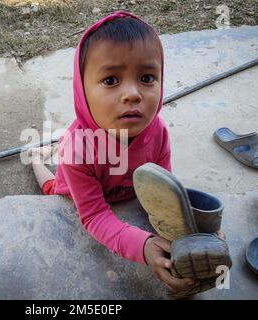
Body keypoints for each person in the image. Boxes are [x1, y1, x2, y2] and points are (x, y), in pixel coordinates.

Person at [29, 11, 198, 292]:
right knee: (51, 186)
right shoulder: (78, 150)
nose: (132, 93)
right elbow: (94, 215)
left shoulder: (158, 132)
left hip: (117, 186)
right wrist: (143, 246)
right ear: (81, 90)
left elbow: (163, 190)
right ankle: (37, 158)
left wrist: (196, 228)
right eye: (111, 80)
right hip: (71, 184)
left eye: (146, 77)